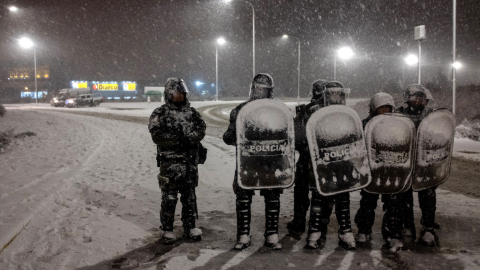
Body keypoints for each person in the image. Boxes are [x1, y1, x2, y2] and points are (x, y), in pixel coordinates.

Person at [290, 80, 356, 250]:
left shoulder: (345, 113)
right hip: (312, 160)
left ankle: (321, 226)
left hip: (335, 160)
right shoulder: (311, 112)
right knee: (314, 193)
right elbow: (299, 137)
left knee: (336, 195)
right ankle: (311, 226)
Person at [223, 73, 283, 250]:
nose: (260, 93)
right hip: (250, 162)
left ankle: (270, 234)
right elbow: (229, 136)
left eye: (263, 91)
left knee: (271, 198)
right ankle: (245, 234)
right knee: (245, 198)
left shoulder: (278, 111)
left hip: (268, 163)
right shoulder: (241, 111)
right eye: (258, 90)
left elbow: (287, 135)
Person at [148, 78, 206, 244]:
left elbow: (201, 129)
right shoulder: (160, 113)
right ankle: (167, 229)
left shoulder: (192, 113)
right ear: (168, 95)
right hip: (170, 164)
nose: (179, 96)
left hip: (189, 164)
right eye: (175, 93)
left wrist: (191, 139)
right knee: (169, 198)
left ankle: (190, 227)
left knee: (189, 197)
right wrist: (180, 141)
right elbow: (157, 136)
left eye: (181, 93)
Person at [353, 92, 404, 252]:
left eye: (388, 108)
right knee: (367, 203)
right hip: (371, 171)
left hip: (390, 170)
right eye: (381, 108)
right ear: (374, 109)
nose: (385, 111)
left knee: (393, 204)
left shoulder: (398, 125)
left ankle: (393, 234)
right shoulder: (365, 124)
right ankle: (363, 230)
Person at [396, 84, 438, 246]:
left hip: (426, 161)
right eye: (415, 97)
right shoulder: (399, 114)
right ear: (408, 98)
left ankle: (428, 227)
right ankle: (408, 226)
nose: (419, 100)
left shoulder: (432, 115)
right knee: (405, 196)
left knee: (428, 195)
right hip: (405, 161)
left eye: (421, 97)